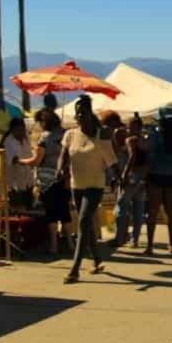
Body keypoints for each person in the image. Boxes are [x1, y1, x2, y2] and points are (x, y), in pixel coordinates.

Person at [58, 95, 119, 284]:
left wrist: (119, 178)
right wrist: (60, 169)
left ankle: (75, 268)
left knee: (84, 220)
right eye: (77, 114)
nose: (80, 116)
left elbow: (112, 162)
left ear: (90, 114)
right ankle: (97, 259)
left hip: (95, 185)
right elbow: (63, 156)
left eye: (83, 113)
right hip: (77, 184)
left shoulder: (101, 137)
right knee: (86, 226)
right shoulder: (70, 135)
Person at [18, 110, 74, 255]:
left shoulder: (44, 138)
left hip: (48, 180)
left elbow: (37, 160)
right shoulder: (67, 134)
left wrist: (20, 161)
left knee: (51, 213)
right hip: (66, 177)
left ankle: (54, 246)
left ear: (44, 122)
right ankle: (71, 243)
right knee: (64, 211)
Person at [145, 108, 172, 255]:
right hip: (171, 176)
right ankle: (171, 244)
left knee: (153, 212)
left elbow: (151, 155)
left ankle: (150, 245)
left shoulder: (155, 135)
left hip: (156, 176)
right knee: (170, 212)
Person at [114, 113, 149, 248]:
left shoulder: (131, 140)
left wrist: (124, 174)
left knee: (121, 207)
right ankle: (135, 240)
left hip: (131, 177)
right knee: (138, 209)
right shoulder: (145, 140)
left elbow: (132, 157)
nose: (127, 130)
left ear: (134, 127)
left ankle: (120, 237)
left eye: (129, 127)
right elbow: (148, 160)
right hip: (141, 178)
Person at [1, 118, 34, 211]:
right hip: (15, 184)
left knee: (29, 208)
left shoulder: (26, 137)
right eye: (20, 130)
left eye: (23, 129)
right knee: (18, 210)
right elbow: (15, 160)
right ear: (13, 130)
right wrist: (30, 161)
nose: (22, 132)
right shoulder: (8, 142)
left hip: (28, 182)